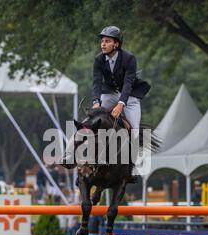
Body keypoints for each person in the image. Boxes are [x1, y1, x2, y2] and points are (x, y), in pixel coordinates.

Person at [61, 25, 151, 168]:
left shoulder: (129, 59)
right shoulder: (98, 60)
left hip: (129, 97)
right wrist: (96, 102)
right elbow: (96, 83)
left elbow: (128, 83)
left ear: (116, 44)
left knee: (134, 129)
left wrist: (121, 104)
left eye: (107, 41)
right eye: (102, 41)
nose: (103, 44)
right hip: (108, 94)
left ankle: (133, 167)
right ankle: (68, 153)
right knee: (88, 121)